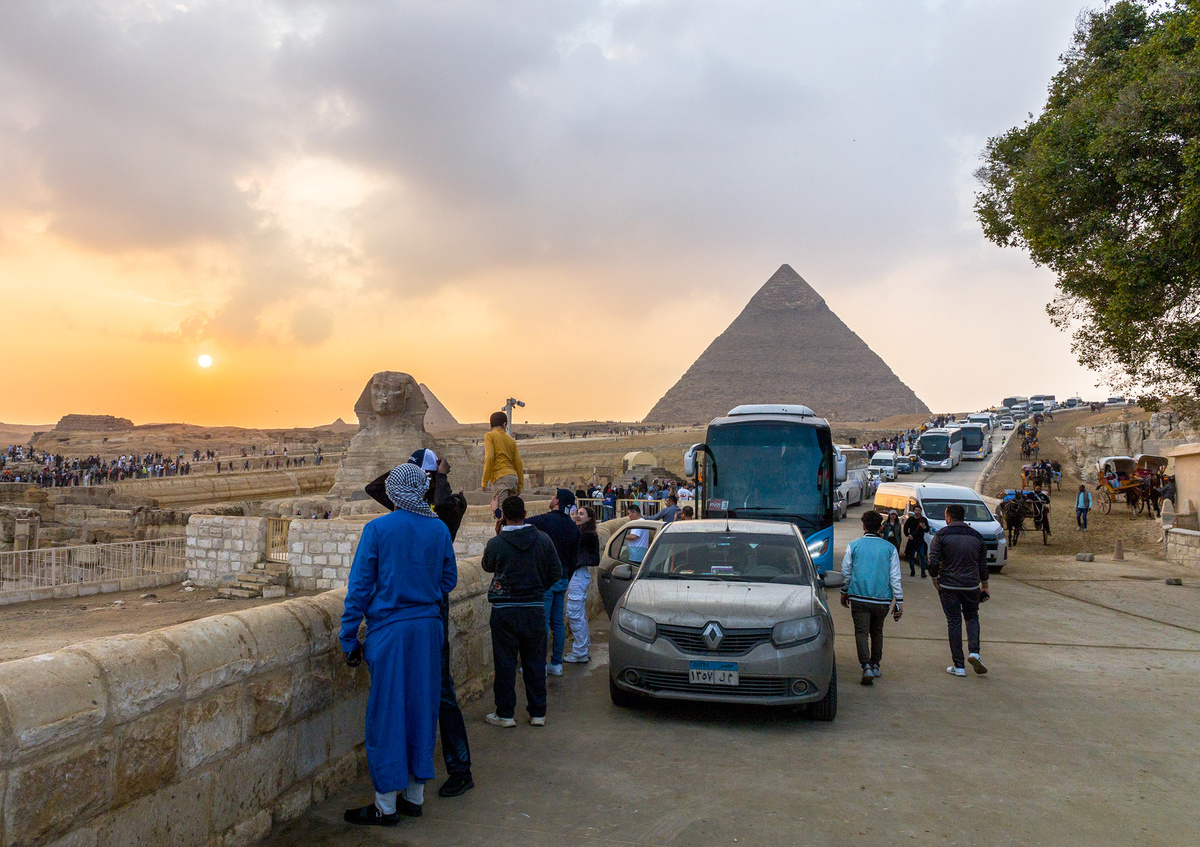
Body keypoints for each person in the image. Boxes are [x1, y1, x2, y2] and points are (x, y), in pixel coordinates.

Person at [340, 464, 458, 826]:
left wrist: (348, 637)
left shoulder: (377, 529)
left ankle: (385, 805)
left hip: (390, 633)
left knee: (388, 713)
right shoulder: (438, 529)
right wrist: (422, 597)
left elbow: (359, 587)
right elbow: (449, 579)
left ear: (394, 492)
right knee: (422, 708)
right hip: (427, 630)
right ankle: (415, 795)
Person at [364, 449, 474, 798]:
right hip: (415, 609)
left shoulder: (449, 507)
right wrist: (410, 471)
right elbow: (374, 488)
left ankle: (459, 768)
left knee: (439, 689)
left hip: (428, 607)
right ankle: (411, 782)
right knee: (409, 695)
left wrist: (437, 476)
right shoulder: (406, 508)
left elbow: (440, 511)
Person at [481, 496, 562, 728]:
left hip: (505, 611)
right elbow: (555, 572)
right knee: (535, 662)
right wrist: (537, 589)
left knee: (505, 663)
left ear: (504, 515)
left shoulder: (497, 543)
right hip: (534, 609)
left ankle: (505, 713)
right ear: (525, 513)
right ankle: (538, 712)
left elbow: (487, 566)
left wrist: (498, 536)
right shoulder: (543, 540)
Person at [839, 511, 903, 686]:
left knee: (861, 632)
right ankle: (875, 664)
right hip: (882, 600)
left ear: (863, 526)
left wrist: (844, 591)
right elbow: (895, 577)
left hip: (859, 597)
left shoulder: (854, 545)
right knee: (877, 631)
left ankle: (865, 666)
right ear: (881, 527)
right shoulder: (889, 549)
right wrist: (899, 601)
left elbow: (846, 572)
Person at [928, 504, 990, 678]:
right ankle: (975, 653)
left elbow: (933, 560)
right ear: (963, 517)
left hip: (948, 585)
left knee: (954, 621)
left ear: (948, 517)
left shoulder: (941, 535)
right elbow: (983, 564)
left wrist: (935, 579)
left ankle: (959, 665)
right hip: (971, 585)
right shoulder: (976, 536)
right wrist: (984, 586)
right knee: (972, 617)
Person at [527, 489, 581, 677]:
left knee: (541, 622)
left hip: (547, 579)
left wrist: (499, 513)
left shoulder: (544, 521)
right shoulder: (574, 528)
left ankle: (539, 664)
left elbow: (517, 523)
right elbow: (574, 559)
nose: (551, 499)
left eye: (553, 496)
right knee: (557, 623)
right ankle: (556, 663)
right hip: (563, 578)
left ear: (557, 501)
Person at [564, 505, 600, 663]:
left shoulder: (588, 535)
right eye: (577, 513)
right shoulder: (585, 533)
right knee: (578, 613)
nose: (578, 516)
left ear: (589, 518)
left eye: (581, 514)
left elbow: (573, 540)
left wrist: (570, 522)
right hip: (578, 575)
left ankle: (580, 652)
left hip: (578, 575)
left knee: (574, 613)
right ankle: (582, 649)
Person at [481, 411, 524, 518]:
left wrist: (485, 481)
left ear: (490, 425)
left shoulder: (489, 436)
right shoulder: (511, 440)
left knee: (501, 515)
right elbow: (518, 463)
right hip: (513, 479)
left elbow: (489, 457)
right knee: (512, 514)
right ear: (504, 424)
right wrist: (520, 486)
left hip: (501, 479)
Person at [903, 505, 930, 578]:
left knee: (922, 556)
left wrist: (924, 527)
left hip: (920, 541)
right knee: (911, 557)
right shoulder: (910, 519)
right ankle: (912, 570)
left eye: (919, 510)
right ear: (914, 511)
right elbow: (905, 528)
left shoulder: (923, 520)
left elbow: (927, 529)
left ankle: (923, 572)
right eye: (916, 510)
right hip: (912, 541)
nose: (918, 512)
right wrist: (908, 535)